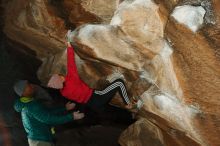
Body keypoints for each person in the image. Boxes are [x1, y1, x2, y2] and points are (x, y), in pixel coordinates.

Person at [47, 30, 138, 113]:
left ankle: (131, 106)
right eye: (59, 76)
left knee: (107, 85)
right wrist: (69, 44)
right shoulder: (71, 78)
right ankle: (127, 104)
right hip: (96, 97)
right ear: (60, 79)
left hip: (91, 104)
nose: (60, 75)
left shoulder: (63, 93)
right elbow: (71, 62)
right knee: (119, 83)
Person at [13, 80, 85, 146]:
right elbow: (49, 119)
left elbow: (47, 113)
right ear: (23, 92)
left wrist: (64, 109)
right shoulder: (31, 106)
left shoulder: (28, 103)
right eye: (28, 85)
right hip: (40, 141)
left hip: (39, 139)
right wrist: (71, 116)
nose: (32, 86)